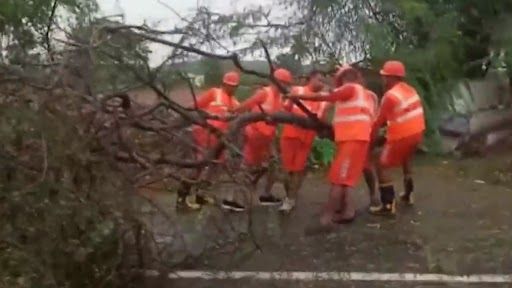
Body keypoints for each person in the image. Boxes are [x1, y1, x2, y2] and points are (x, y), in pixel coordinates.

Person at [288, 65, 373, 226]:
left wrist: (298, 97)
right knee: (346, 178)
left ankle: (326, 218)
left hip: (352, 139)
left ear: (344, 79)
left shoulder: (351, 88)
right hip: (355, 139)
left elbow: (328, 96)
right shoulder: (362, 93)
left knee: (338, 178)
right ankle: (348, 211)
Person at [221, 68, 294, 212]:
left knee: (273, 164)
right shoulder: (264, 93)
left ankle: (266, 194)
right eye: (284, 83)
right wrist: (231, 113)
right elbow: (246, 105)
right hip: (254, 135)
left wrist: (292, 101)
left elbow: (285, 111)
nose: (286, 86)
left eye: (287, 84)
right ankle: (232, 200)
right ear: (277, 82)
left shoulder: (279, 98)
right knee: (245, 167)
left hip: (267, 137)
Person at [176, 71, 240, 211]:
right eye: (230, 85)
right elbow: (195, 106)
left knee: (216, 166)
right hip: (204, 136)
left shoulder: (235, 103)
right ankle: (182, 198)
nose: (232, 88)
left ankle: (201, 194)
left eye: (234, 86)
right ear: (223, 84)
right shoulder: (214, 93)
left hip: (220, 139)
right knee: (199, 166)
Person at [369, 60, 426, 217]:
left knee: (381, 164)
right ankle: (409, 194)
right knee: (406, 158)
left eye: (384, 76)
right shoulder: (410, 90)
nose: (383, 79)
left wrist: (370, 143)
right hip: (418, 131)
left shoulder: (390, 96)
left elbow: (377, 123)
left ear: (391, 77)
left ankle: (387, 205)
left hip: (402, 135)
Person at [278, 70, 327, 212]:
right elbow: (286, 108)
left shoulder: (322, 99)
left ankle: (290, 199)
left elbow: (320, 117)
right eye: (319, 80)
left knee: (298, 170)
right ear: (310, 79)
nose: (321, 84)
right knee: (287, 171)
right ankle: (289, 195)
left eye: (323, 81)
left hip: (306, 138)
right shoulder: (297, 90)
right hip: (290, 135)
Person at [364, 88, 380, 210]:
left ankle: (373, 194)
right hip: (349, 133)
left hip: (365, 133)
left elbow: (374, 115)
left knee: (367, 166)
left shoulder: (371, 95)